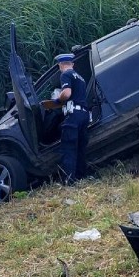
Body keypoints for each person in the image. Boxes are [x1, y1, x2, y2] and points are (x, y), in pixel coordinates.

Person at [53, 53, 89, 184]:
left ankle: (68, 181)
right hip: (84, 115)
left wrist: (57, 100)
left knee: (69, 148)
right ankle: (80, 178)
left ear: (61, 65)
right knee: (80, 148)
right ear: (72, 64)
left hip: (73, 115)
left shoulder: (65, 75)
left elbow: (67, 93)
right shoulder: (80, 78)